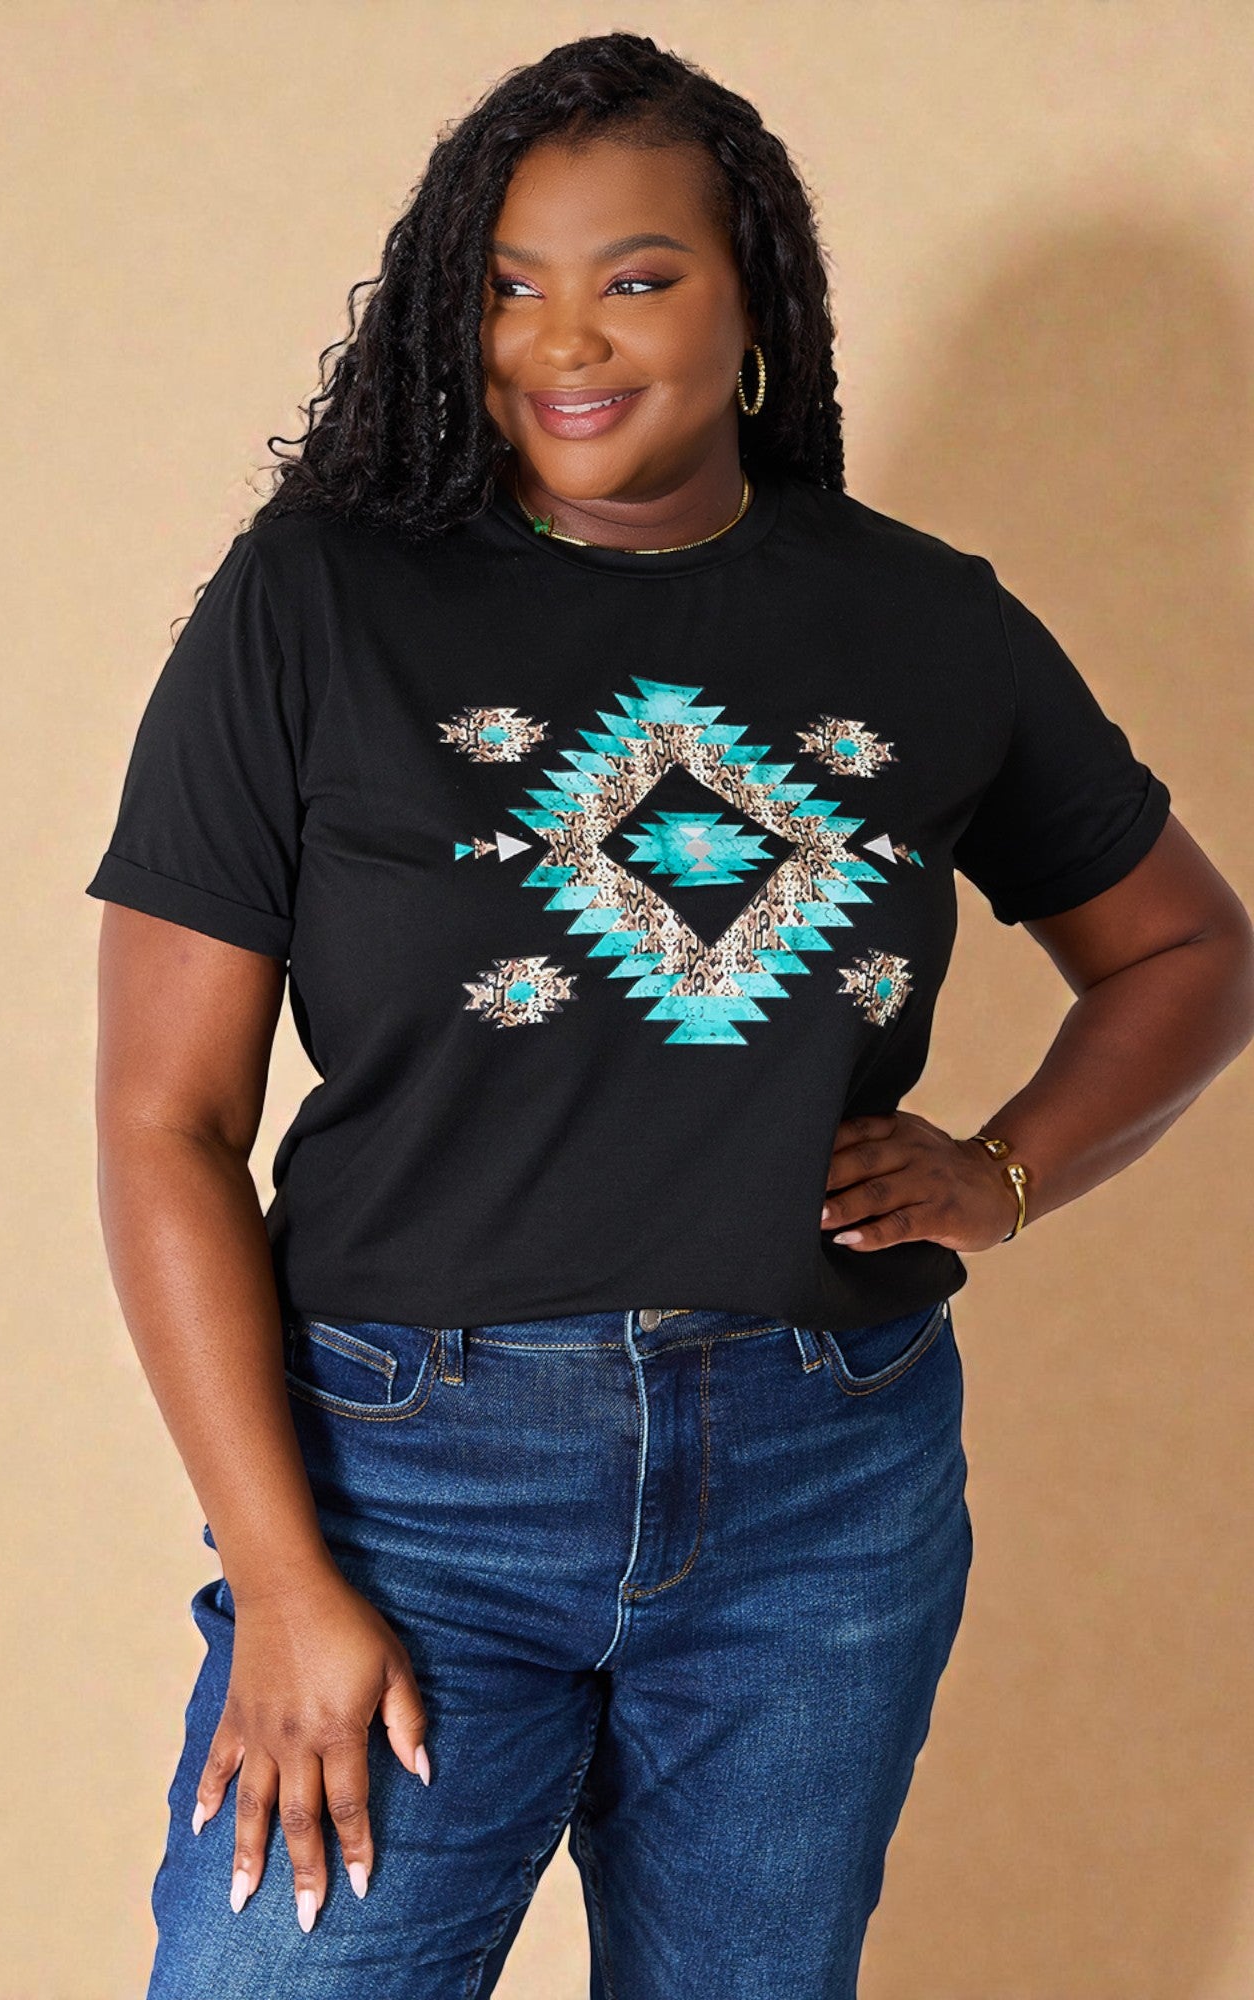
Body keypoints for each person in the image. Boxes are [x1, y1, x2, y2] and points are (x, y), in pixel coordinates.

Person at [84, 31, 1253, 2000]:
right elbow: (162, 1123)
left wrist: (1003, 1173)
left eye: (634, 275)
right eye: (507, 285)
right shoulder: (315, 606)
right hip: (405, 1485)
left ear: (755, 304)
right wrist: (282, 1579)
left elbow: (1183, 950)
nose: (566, 338)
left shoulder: (920, 618)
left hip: (824, 1482)